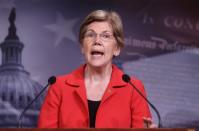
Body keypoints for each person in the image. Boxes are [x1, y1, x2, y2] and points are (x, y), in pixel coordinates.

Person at [38, 9, 155, 128]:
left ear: (117, 48)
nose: (97, 41)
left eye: (106, 36)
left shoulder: (134, 89)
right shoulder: (58, 87)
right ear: (82, 47)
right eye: (90, 35)